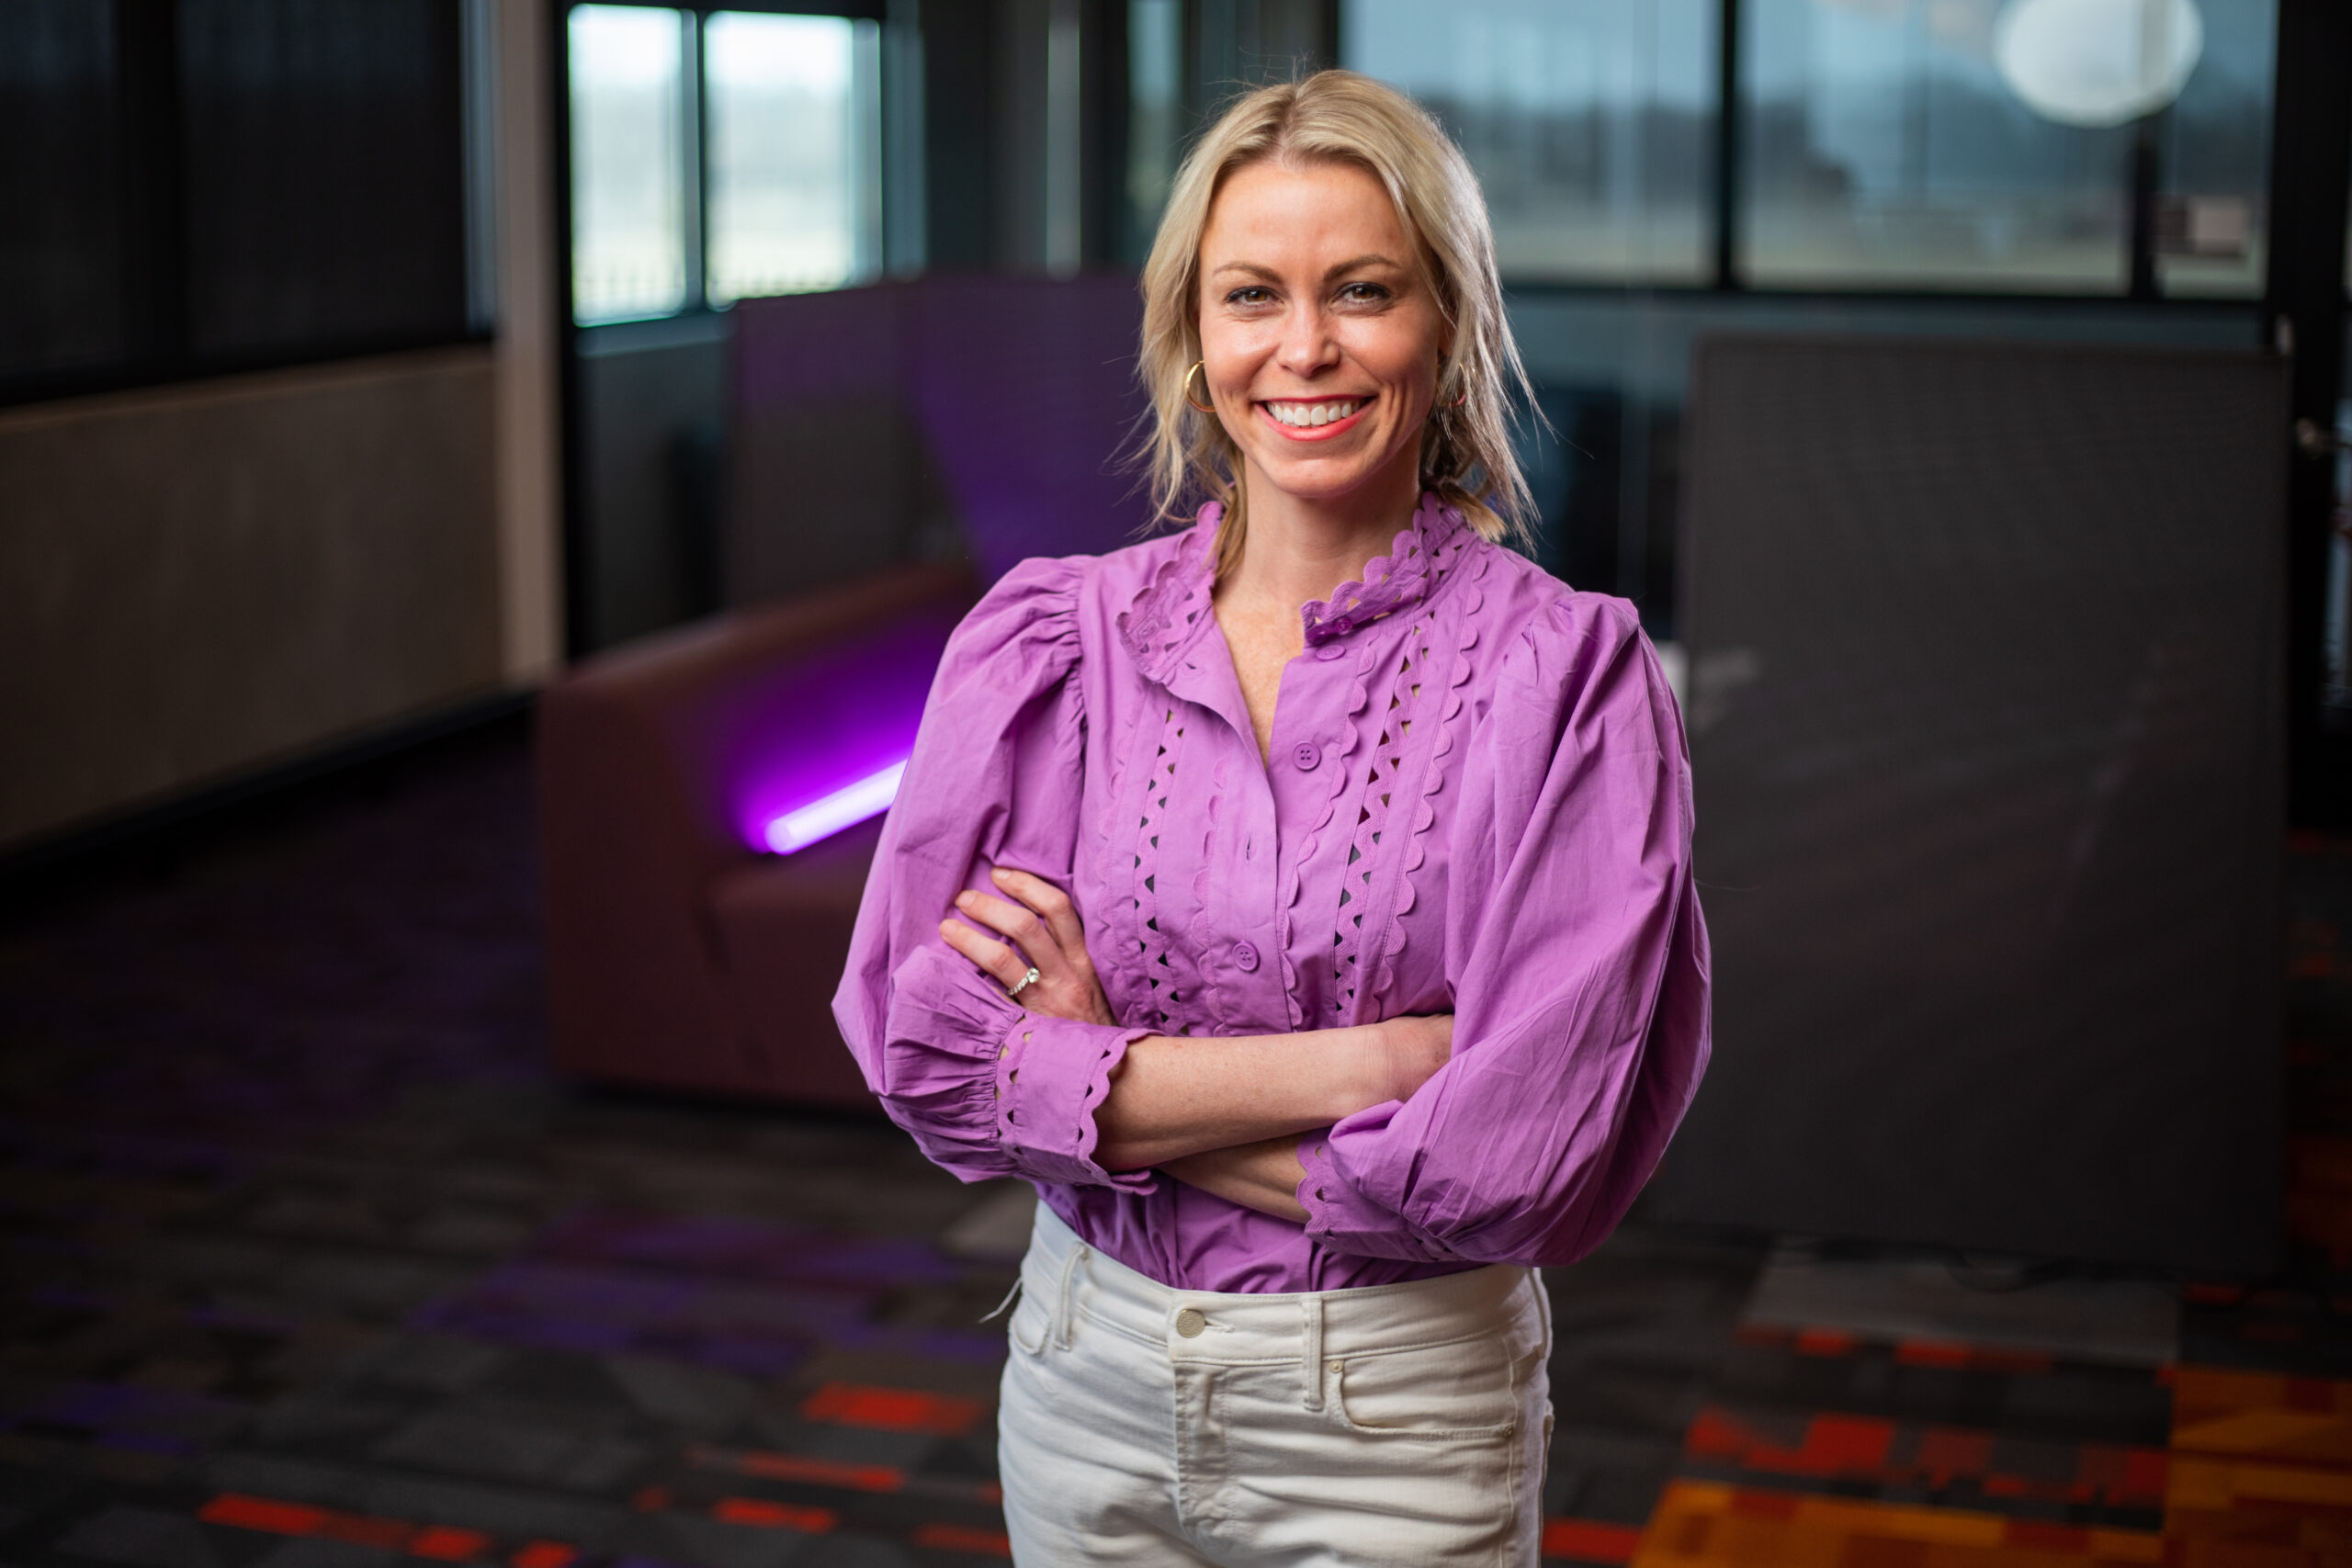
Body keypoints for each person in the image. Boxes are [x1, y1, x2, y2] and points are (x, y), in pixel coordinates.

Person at [835, 69, 1710, 1567]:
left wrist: (1080, 1075)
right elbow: (923, 1053)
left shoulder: (1566, 679)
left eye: (1362, 290)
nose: (1305, 348)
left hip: (1396, 1418)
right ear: (1191, 334)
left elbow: (1518, 1168)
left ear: (1447, 323)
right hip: (1079, 1376)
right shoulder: (1056, 640)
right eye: (1253, 295)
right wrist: (1382, 1065)